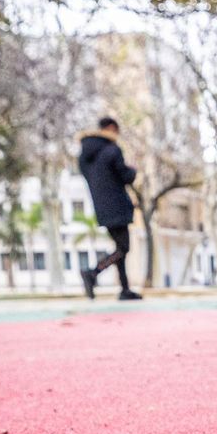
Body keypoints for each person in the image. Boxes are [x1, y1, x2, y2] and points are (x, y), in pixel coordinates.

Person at [76, 117, 142, 300]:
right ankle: (93, 272)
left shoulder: (85, 157)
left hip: (101, 206)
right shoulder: (112, 150)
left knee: (120, 246)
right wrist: (133, 170)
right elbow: (125, 176)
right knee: (123, 248)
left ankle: (124, 289)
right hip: (117, 205)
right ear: (112, 128)